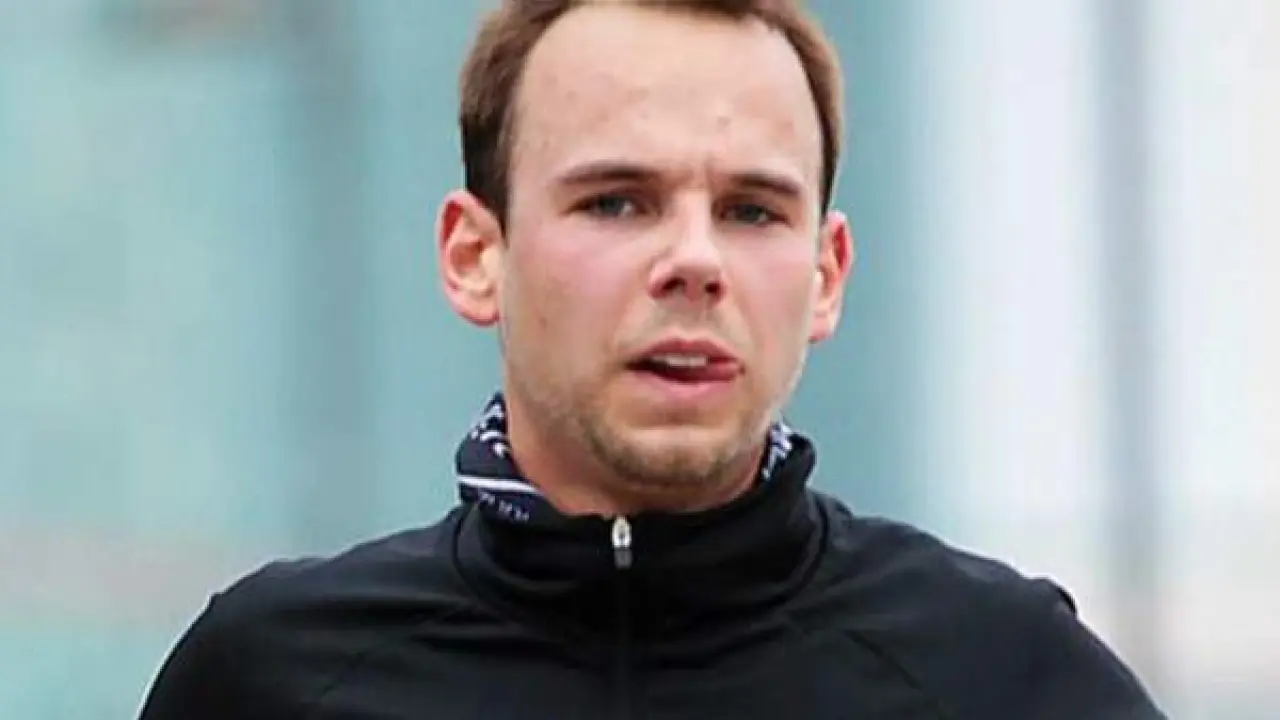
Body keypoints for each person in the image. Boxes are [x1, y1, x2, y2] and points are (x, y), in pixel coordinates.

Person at [137, 1, 1166, 717]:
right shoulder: (273, 678)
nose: (694, 262)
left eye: (751, 210)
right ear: (474, 256)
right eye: (616, 202)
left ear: (825, 275)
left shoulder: (1000, 675)